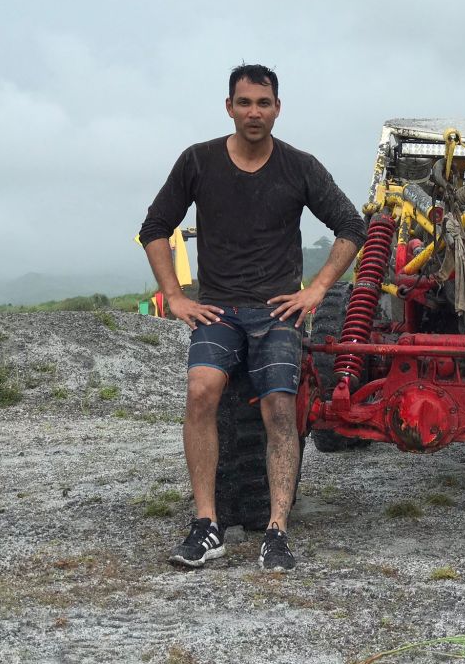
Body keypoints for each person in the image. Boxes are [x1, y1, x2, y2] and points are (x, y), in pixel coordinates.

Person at [139, 64, 366, 570]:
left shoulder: (299, 166)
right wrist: (174, 295)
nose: (254, 112)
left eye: (263, 103)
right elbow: (155, 226)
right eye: (244, 103)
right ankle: (206, 525)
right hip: (217, 309)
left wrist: (318, 289)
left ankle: (277, 530)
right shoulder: (197, 162)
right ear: (229, 107)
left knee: (281, 406)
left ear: (277, 108)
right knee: (201, 390)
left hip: (276, 313)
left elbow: (352, 224)